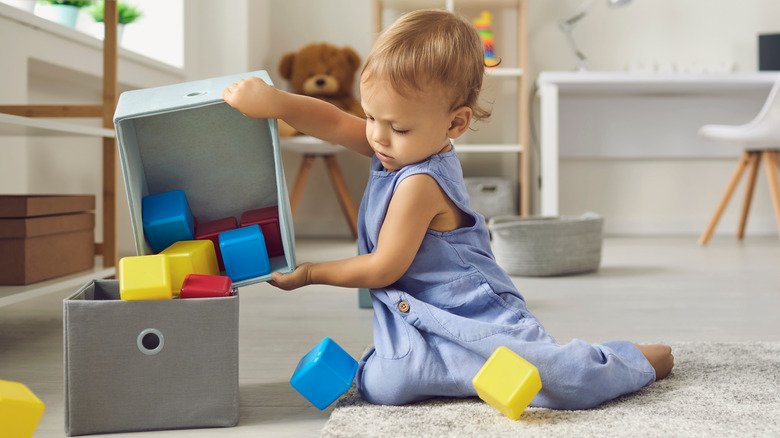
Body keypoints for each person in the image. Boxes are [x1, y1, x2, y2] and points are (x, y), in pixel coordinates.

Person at [223, 8, 673, 410]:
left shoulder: (420, 181)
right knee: (385, 387)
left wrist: (310, 274)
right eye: (372, 116)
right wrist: (274, 103)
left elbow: (382, 268)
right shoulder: (397, 144)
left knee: (562, 381)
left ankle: (630, 359)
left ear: (454, 122)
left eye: (395, 126)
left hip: (478, 314)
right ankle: (466, 373)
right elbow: (334, 121)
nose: (376, 135)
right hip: (419, 314)